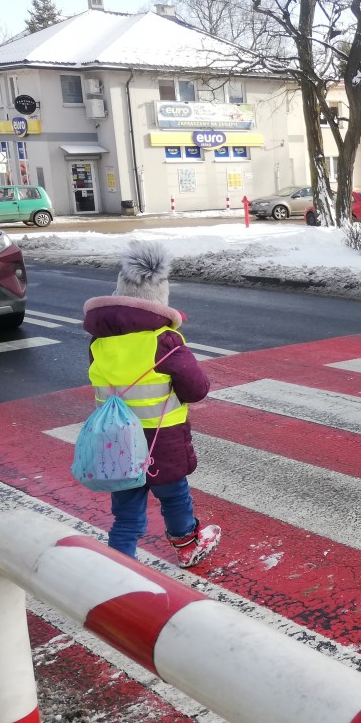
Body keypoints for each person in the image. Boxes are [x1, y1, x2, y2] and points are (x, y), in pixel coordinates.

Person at [82, 241, 220, 568]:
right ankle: (187, 545)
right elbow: (196, 388)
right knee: (174, 496)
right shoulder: (164, 342)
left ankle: (119, 565)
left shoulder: (100, 343)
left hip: (117, 441)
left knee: (127, 511)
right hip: (162, 440)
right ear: (159, 301)